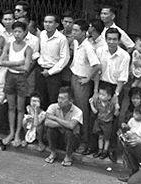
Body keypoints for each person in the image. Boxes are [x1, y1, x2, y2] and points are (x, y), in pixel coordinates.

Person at [69, 18, 101, 154]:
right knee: (74, 110)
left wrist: (88, 78)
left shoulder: (88, 46)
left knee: (82, 112)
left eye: (77, 30)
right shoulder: (77, 43)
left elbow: (97, 65)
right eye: (73, 30)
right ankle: (76, 139)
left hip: (82, 81)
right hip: (74, 77)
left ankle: (84, 142)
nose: (73, 32)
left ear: (83, 32)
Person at [0, 21, 33, 147]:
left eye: (20, 31)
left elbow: (26, 68)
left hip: (21, 78)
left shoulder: (28, 48)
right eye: (15, 31)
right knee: (11, 107)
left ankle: (18, 133)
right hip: (10, 76)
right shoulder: (8, 45)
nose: (17, 34)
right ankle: (11, 132)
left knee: (20, 108)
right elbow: (1, 61)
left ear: (25, 33)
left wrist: (12, 64)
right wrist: (18, 62)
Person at [43, 87, 82, 166]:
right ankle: (53, 153)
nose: (59, 101)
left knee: (69, 132)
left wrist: (55, 118)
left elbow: (71, 126)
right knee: (50, 130)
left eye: (63, 99)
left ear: (70, 101)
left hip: (71, 140)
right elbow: (46, 122)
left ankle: (68, 156)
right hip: (58, 137)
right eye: (59, 98)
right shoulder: (53, 106)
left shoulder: (77, 111)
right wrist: (64, 124)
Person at [37, 14, 70, 108]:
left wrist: (50, 72)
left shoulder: (61, 38)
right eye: (45, 22)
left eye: (50, 22)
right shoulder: (42, 34)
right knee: (40, 98)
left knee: (53, 100)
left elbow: (65, 58)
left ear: (56, 24)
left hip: (54, 74)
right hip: (40, 70)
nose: (47, 24)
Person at [89, 82, 118, 160]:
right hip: (99, 122)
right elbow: (95, 112)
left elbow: (116, 113)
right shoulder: (98, 103)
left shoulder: (111, 104)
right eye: (100, 94)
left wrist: (117, 106)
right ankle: (100, 150)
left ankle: (105, 151)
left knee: (107, 138)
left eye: (103, 95)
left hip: (108, 123)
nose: (100, 96)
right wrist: (91, 104)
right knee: (100, 136)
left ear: (109, 97)